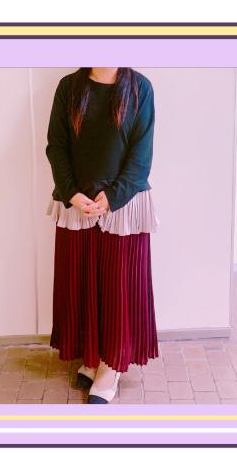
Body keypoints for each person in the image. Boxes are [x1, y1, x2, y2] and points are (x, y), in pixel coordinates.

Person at [45, 67, 160, 404]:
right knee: (82, 285)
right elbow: (56, 146)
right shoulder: (69, 87)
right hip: (77, 204)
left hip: (122, 205)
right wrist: (71, 193)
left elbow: (141, 156)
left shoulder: (140, 89)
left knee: (117, 290)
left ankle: (112, 365)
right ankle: (93, 356)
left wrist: (112, 197)